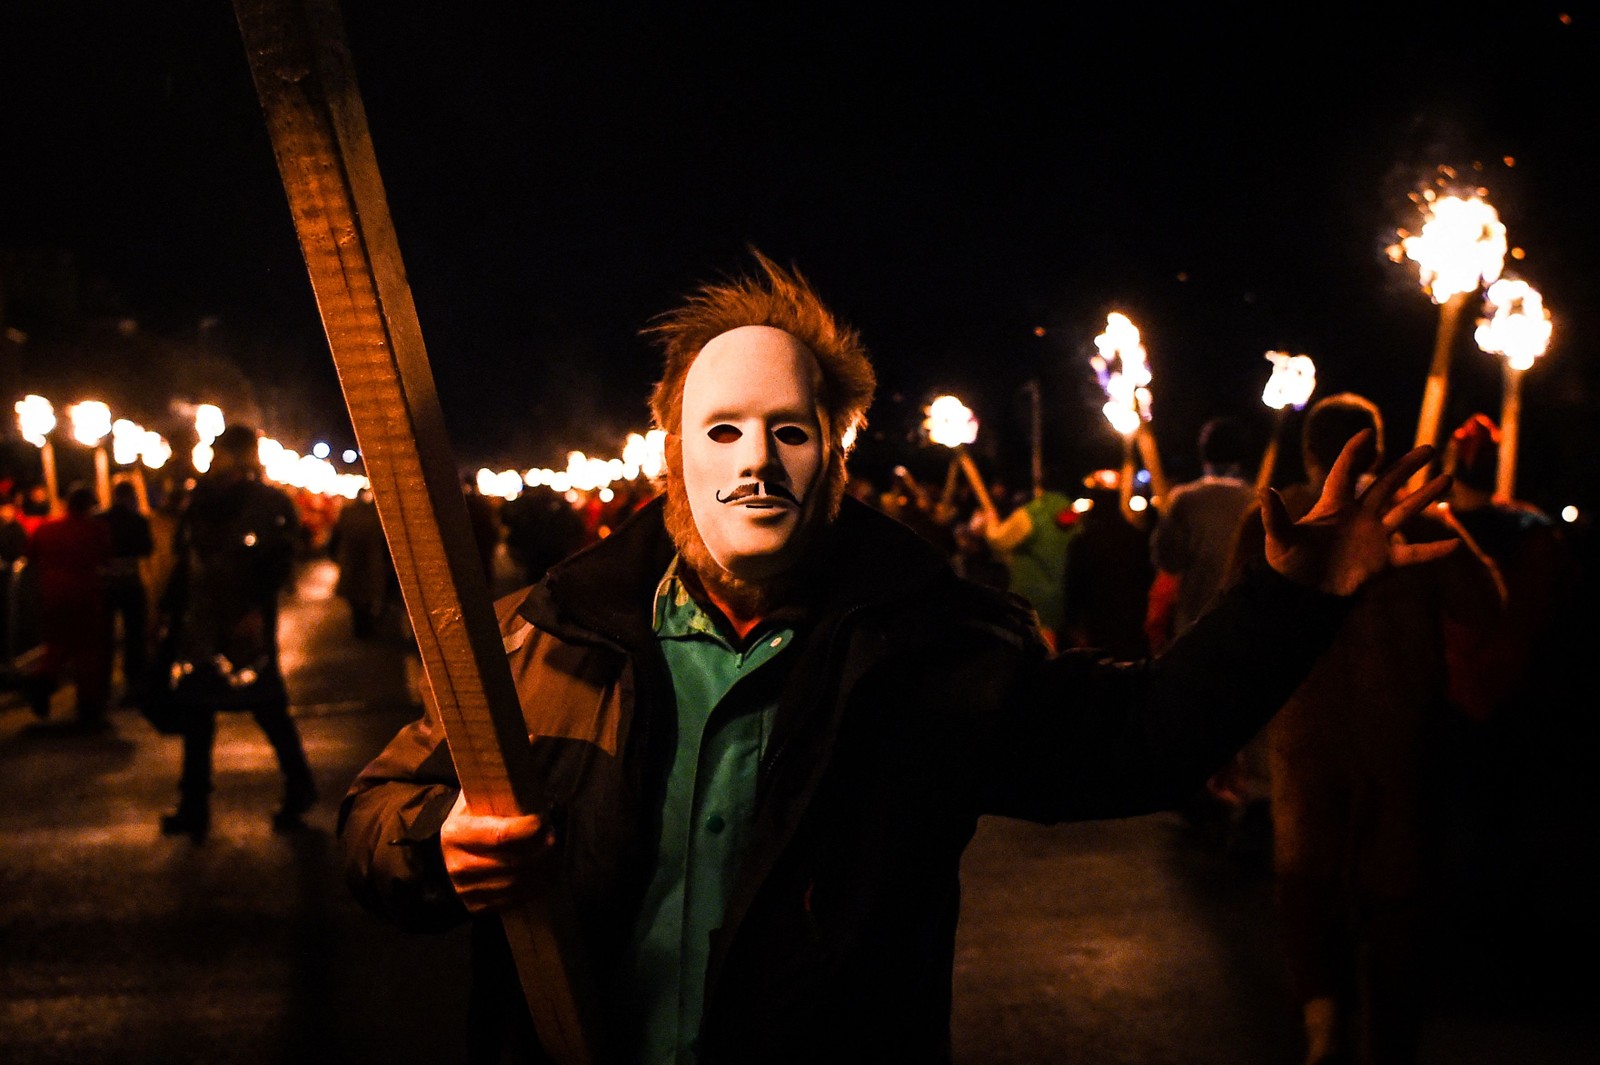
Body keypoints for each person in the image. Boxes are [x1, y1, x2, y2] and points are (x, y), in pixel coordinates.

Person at [338, 252, 1457, 1065]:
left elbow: (1141, 739)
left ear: (838, 451)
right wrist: (432, 846)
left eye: (790, 430)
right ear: (671, 449)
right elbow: (379, 812)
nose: (757, 463)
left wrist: (1289, 602)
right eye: (722, 429)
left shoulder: (937, 648)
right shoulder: (541, 635)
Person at [1221, 393, 1502, 1065]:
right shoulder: (1415, 522)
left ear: (1309, 452)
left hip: (1314, 742)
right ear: (1375, 450)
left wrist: (1224, 735)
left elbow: (1230, 638)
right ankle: (1359, 1034)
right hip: (1384, 741)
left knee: (1312, 880)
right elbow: (1489, 606)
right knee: (1384, 894)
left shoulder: (1272, 522)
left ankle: (1331, 1025)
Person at [156, 424, 317, 842]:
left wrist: (257, 608)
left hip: (244, 617)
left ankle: (299, 788)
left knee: (266, 706)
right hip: (201, 619)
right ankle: (194, 805)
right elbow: (185, 556)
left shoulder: (266, 502)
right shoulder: (202, 498)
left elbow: (279, 557)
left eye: (226, 451)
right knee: (197, 710)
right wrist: (170, 613)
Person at [1146, 415, 1258, 654]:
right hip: (1244, 627)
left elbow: (1167, 560)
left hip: (1194, 625)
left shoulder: (1184, 499)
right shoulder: (1256, 501)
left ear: (1203, 453)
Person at [20, 483, 114, 727]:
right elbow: (106, 557)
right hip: (85, 594)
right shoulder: (95, 530)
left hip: (52, 594)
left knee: (56, 644)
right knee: (87, 651)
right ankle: (88, 705)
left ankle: (43, 683)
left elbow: (29, 554)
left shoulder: (46, 529)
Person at [1059, 473, 1153, 660]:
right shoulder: (1136, 537)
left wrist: (1073, 625)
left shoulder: (1084, 541)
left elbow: (1074, 586)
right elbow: (1147, 579)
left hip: (1098, 626)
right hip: (1132, 625)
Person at [99, 479, 155, 704]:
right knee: (134, 636)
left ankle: (102, 686)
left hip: (105, 583)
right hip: (130, 581)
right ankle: (133, 684)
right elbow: (147, 549)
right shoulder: (138, 520)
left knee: (104, 637)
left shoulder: (101, 520)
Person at [330, 485, 394, 639]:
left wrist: (334, 555)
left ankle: (360, 625)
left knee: (355, 596)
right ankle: (367, 625)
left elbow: (335, 537)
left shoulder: (347, 513)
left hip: (351, 561)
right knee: (369, 595)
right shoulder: (376, 515)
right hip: (371, 561)